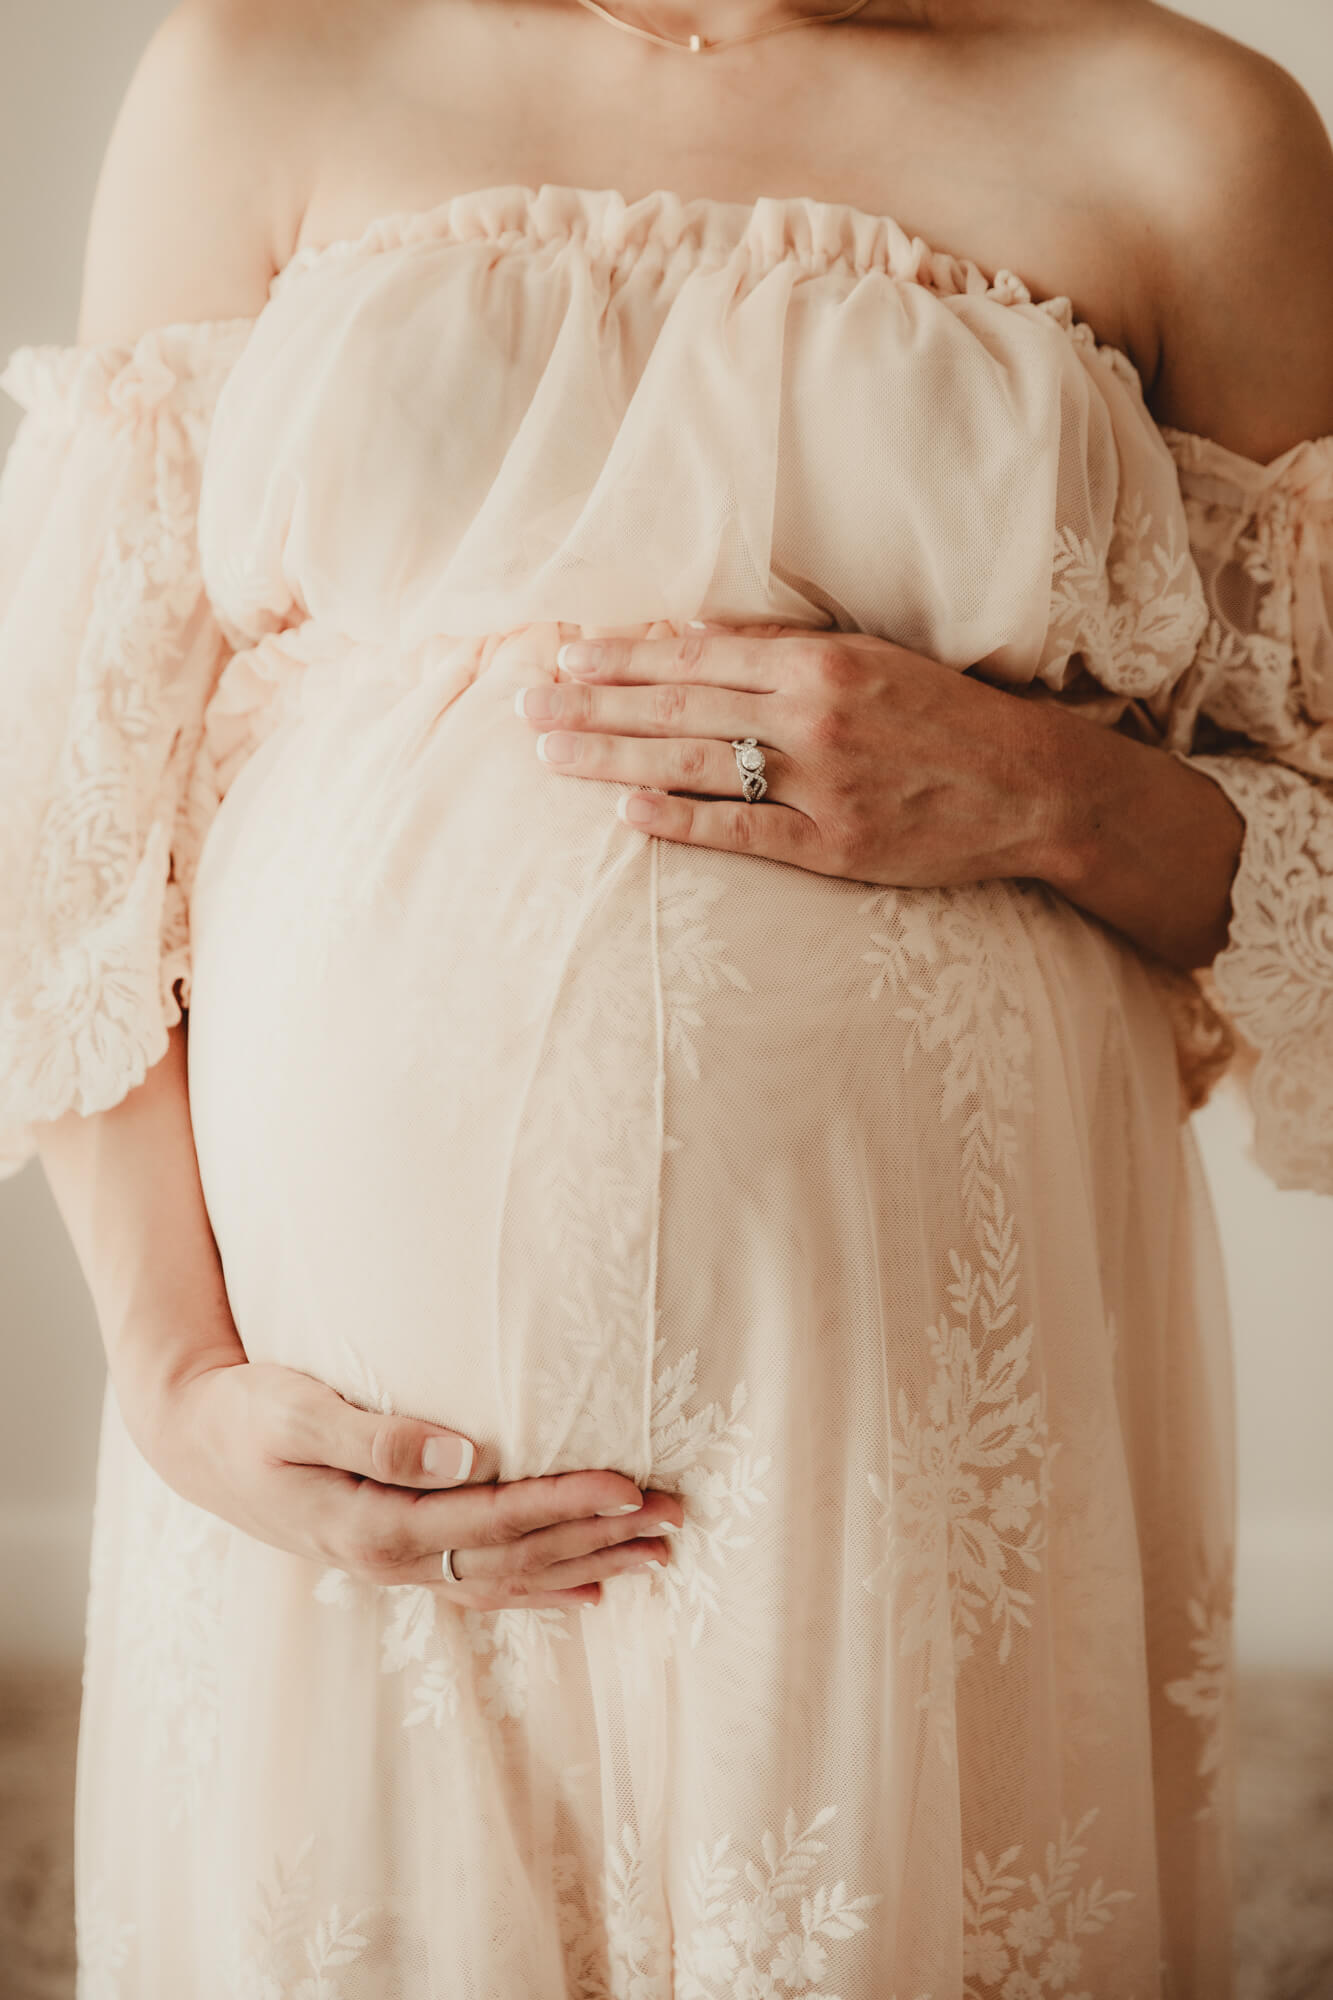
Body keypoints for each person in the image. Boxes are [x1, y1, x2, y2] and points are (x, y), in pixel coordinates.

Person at [2, 0, 1330, 1990]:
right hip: (344, 1429)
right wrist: (174, 1367)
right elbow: (68, 826)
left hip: (907, 1417)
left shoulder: (1186, 135)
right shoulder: (264, 68)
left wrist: (1050, 790)